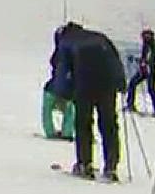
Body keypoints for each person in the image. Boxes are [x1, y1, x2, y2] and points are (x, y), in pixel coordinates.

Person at [53, 23, 124, 180]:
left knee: (83, 123)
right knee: (109, 124)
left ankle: (85, 164)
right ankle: (111, 166)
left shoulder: (66, 42)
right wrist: (121, 83)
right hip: (107, 84)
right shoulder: (99, 37)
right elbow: (115, 60)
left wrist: (62, 94)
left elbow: (62, 69)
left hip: (85, 84)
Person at [126, 29, 155, 115]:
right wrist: (137, 60)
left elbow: (150, 59)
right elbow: (143, 58)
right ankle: (130, 104)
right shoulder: (146, 45)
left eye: (147, 36)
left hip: (150, 69)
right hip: (144, 69)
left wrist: (143, 62)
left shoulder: (153, 46)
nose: (144, 38)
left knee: (151, 89)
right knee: (132, 83)